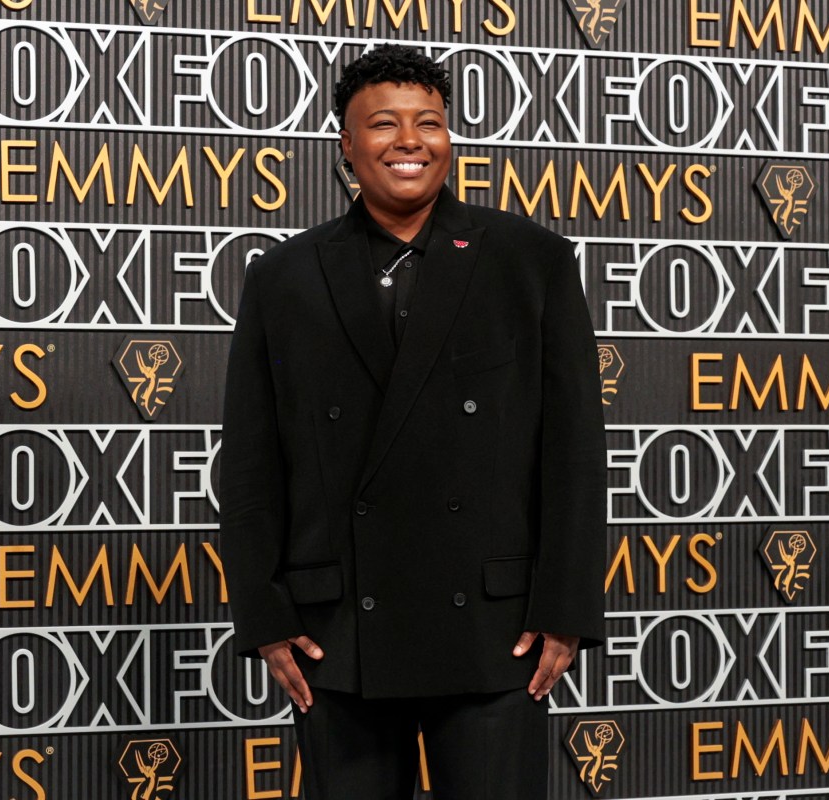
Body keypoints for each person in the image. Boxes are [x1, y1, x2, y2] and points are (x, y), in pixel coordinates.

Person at [220, 44, 606, 799]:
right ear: (346, 144)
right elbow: (251, 461)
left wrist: (565, 610)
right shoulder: (283, 276)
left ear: (449, 138)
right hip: (340, 632)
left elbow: (573, 452)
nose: (409, 141)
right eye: (384, 124)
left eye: (429, 122)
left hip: (495, 631)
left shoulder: (531, 261)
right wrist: (265, 615)